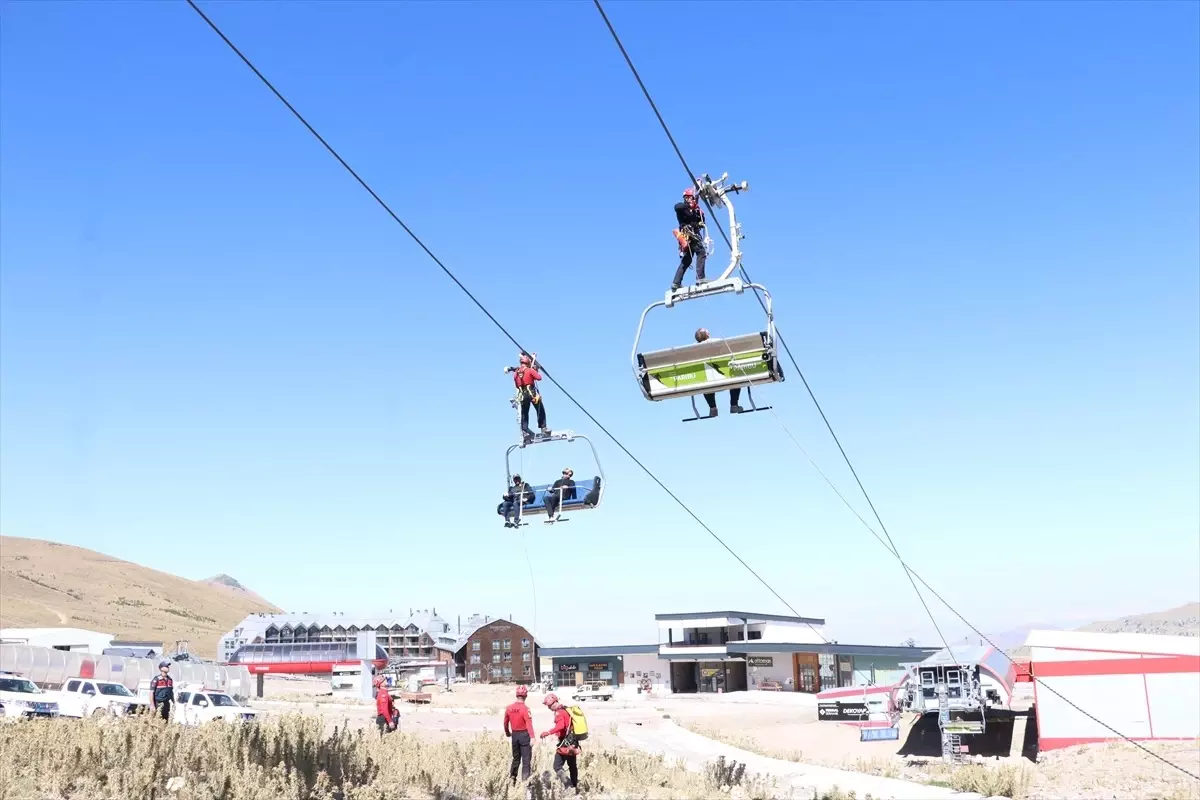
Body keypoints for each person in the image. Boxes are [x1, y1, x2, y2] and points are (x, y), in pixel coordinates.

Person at [694, 328, 742, 416]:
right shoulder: (718, 341)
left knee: (705, 382)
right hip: (724, 376)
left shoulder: (693, 349)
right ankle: (734, 405)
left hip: (707, 380)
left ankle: (713, 408)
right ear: (707, 334)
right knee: (736, 378)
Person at [539, 693, 579, 792]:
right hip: (573, 741)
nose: (549, 708)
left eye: (549, 705)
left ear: (554, 703)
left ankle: (567, 784)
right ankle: (574, 786)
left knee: (557, 766)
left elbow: (560, 726)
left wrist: (548, 732)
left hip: (565, 743)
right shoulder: (566, 710)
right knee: (572, 765)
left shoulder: (559, 712)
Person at [506, 353, 550, 442]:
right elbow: (539, 378)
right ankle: (543, 427)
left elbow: (517, 384)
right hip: (532, 394)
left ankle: (525, 430)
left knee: (524, 413)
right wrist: (534, 370)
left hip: (522, 395)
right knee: (540, 409)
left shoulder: (516, 373)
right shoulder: (530, 370)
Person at [671, 186, 707, 291]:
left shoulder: (695, 211)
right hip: (689, 235)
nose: (689, 199)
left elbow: (701, 222)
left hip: (692, 235)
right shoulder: (682, 209)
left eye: (690, 198)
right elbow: (677, 207)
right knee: (701, 252)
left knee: (687, 260)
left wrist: (700, 216)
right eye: (687, 198)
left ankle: (676, 282)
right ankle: (700, 278)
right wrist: (689, 205)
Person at [503, 685, 536, 785]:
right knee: (526, 761)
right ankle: (525, 783)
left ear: (516, 695)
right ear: (526, 696)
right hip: (524, 735)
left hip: (515, 735)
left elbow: (505, 722)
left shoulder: (509, 708)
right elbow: (528, 723)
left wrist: (507, 732)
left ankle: (512, 780)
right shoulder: (526, 709)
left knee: (516, 759)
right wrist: (532, 737)